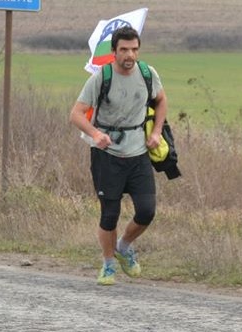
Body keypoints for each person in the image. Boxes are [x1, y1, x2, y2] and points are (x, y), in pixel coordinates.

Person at [69, 26, 168, 285]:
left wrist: (157, 132)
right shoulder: (102, 77)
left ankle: (124, 247)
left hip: (138, 153)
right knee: (109, 215)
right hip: (107, 154)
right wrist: (95, 134)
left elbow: (161, 100)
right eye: (124, 49)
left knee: (147, 211)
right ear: (114, 52)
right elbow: (76, 114)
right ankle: (108, 264)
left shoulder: (148, 73)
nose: (130, 55)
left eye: (134, 49)